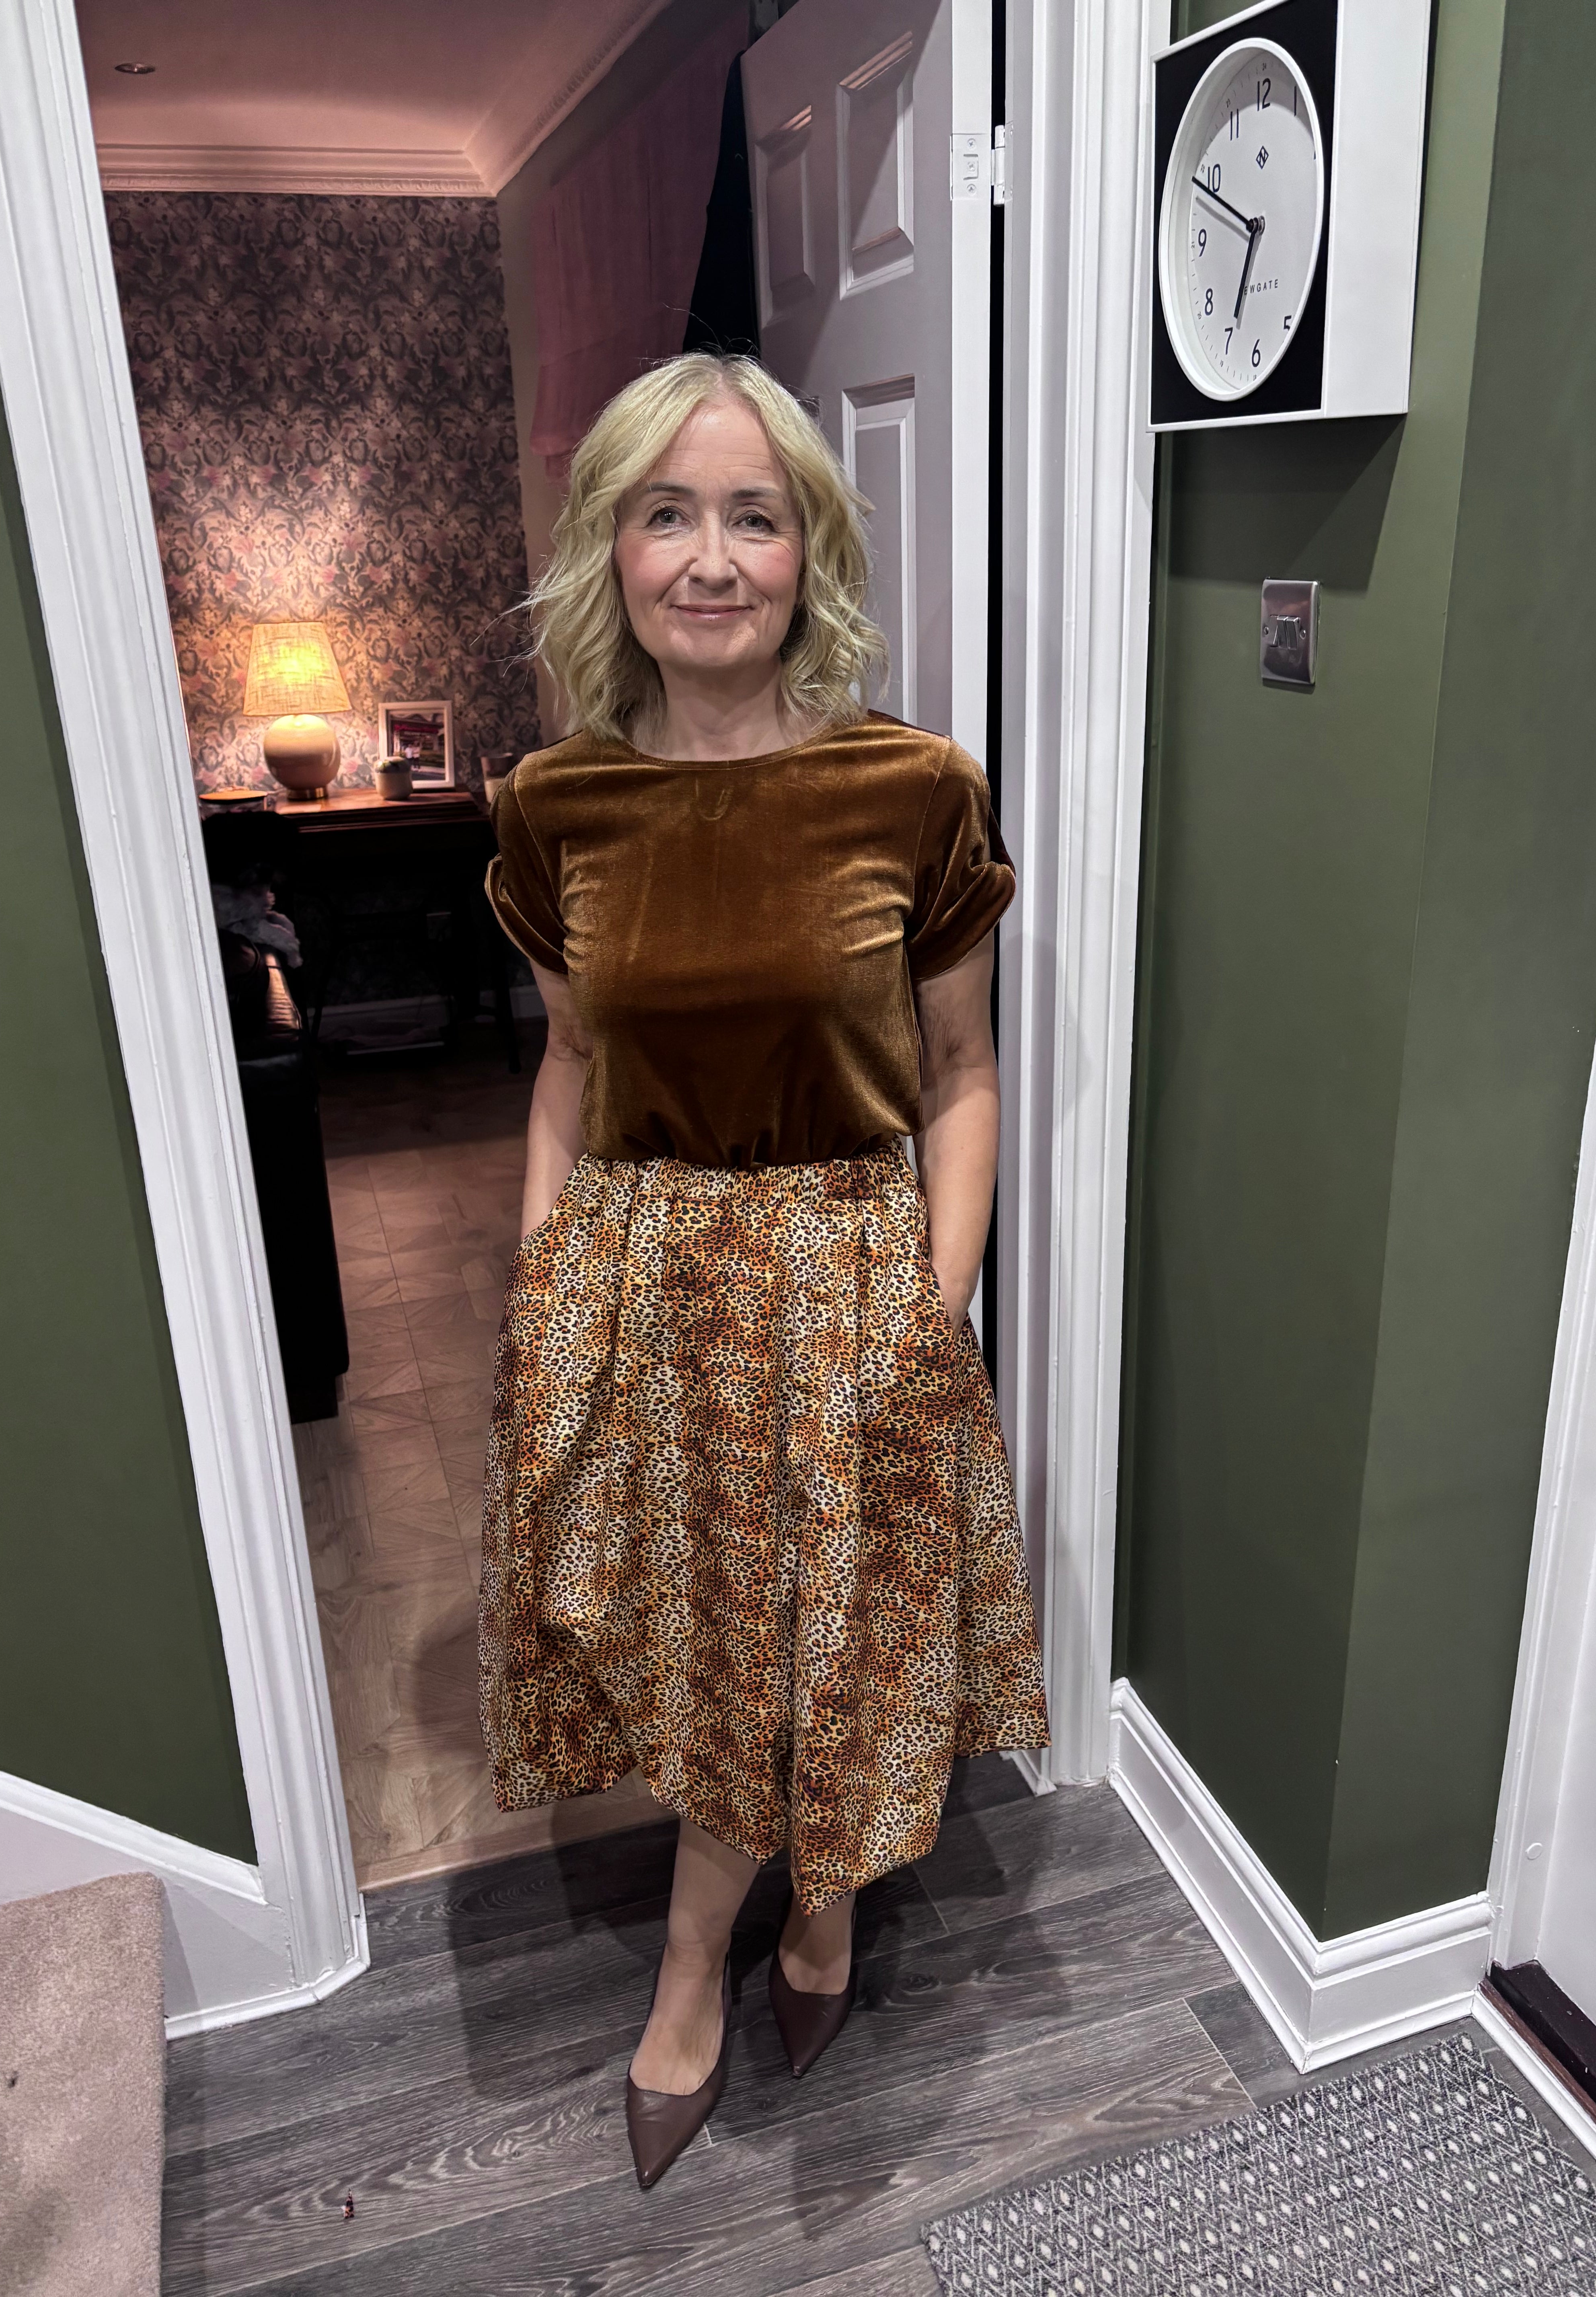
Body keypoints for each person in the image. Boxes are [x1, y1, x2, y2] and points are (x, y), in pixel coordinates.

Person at [482, 351, 1049, 2191]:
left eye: (755, 515)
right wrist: (544, 1287)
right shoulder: (555, 808)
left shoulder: (909, 790)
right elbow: (571, 1064)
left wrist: (931, 1308)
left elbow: (961, 1077)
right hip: (647, 1281)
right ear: (612, 552)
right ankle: (757, 1931)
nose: (712, 558)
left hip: (850, 1278)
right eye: (669, 513)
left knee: (844, 1649)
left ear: (810, 550)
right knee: (702, 1652)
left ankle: (746, 1952)